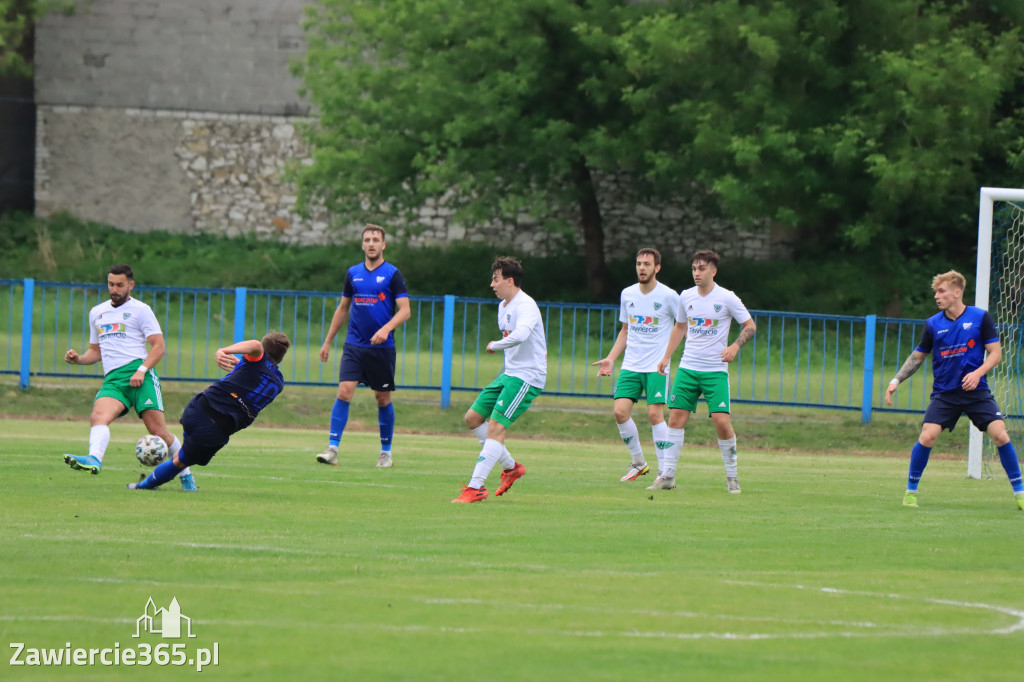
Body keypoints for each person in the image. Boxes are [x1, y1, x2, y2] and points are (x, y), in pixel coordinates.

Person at [884, 270, 1023, 510]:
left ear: (957, 292)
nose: (937, 296)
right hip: (945, 394)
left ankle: (1020, 492)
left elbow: (996, 354)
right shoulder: (932, 324)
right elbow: (917, 358)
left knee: (1000, 434)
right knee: (927, 436)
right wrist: (896, 380)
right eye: (936, 292)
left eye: (942, 291)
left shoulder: (980, 318)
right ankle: (910, 492)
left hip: (976, 391)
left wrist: (978, 373)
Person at [62, 264, 197, 491]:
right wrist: (78, 359)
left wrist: (141, 370)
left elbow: (159, 346)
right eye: (111, 284)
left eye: (120, 285)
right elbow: (96, 351)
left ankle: (186, 476)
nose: (114, 289)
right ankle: (94, 458)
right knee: (98, 416)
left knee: (159, 432)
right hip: (114, 379)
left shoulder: (141, 310)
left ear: (130, 285)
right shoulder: (97, 312)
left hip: (140, 375)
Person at [129, 332, 290, 490]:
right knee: (181, 461)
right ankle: (144, 486)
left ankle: (183, 483)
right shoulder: (279, 383)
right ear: (281, 358)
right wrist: (240, 364)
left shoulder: (256, 360)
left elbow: (255, 347)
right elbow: (255, 374)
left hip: (198, 407)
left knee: (184, 454)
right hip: (216, 430)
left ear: (263, 348)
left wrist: (223, 351)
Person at [654, 250, 756, 493]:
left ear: (713, 271)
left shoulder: (727, 297)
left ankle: (732, 476)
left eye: (701, 268)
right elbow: (680, 327)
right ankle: (667, 475)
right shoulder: (686, 297)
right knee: (676, 418)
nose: (696, 273)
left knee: (721, 422)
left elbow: (750, 326)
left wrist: (735, 346)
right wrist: (667, 356)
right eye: (694, 268)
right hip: (688, 368)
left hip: (715, 371)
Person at [315, 225, 411, 469]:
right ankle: (332, 449)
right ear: (362, 245)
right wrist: (327, 341)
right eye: (367, 239)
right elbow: (343, 308)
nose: (371, 243)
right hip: (354, 345)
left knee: (382, 398)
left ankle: (385, 453)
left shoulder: (392, 274)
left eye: (376, 240)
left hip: (382, 348)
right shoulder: (353, 273)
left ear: (383, 245)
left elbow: (405, 310)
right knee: (344, 391)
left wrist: (386, 329)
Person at [452, 256, 546, 503]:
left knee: (495, 428)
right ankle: (511, 467)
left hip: (528, 376)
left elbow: (522, 335)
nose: (492, 284)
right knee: (473, 418)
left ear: (510, 280)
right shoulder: (503, 306)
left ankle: (476, 487)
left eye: (496, 279)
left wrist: (496, 345)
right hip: (509, 373)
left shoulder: (525, 305)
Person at [592, 248, 679, 482]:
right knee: (620, 412)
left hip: (656, 367)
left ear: (657, 268)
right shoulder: (628, 294)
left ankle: (664, 472)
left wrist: (667, 356)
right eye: (639, 263)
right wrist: (611, 358)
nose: (642, 267)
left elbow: (681, 327)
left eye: (647, 264)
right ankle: (639, 463)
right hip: (631, 365)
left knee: (654, 415)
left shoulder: (669, 296)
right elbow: (625, 330)